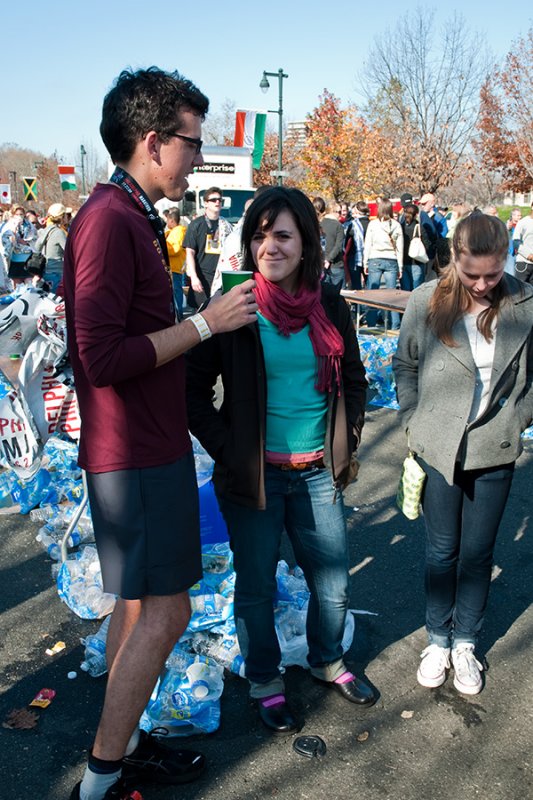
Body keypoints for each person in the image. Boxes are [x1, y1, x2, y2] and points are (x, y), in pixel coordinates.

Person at [63, 66, 258, 800]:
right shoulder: (110, 220)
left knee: (140, 606)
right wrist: (206, 324)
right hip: (135, 453)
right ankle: (102, 777)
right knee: (169, 609)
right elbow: (101, 356)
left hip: (144, 447)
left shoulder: (129, 213)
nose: (196, 158)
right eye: (191, 144)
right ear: (152, 142)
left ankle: (123, 745)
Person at [186, 186, 377, 735]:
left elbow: (355, 381)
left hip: (318, 472)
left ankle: (328, 662)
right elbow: (192, 391)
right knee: (256, 586)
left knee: (333, 584)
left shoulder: (330, 302)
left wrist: (347, 440)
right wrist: (230, 449)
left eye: (283, 235)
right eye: (259, 234)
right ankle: (265, 679)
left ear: (306, 243)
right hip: (255, 476)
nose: (269, 245)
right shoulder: (234, 307)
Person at [393, 213, 532, 696]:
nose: (481, 284)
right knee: (441, 549)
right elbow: (405, 363)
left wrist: (517, 417)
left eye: (492, 274)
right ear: (454, 257)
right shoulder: (425, 299)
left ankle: (465, 641)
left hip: (494, 445)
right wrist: (411, 420)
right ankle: (437, 638)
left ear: (505, 259)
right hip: (437, 445)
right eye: (471, 273)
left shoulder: (525, 302)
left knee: (477, 553)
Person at [184, 185, 232, 308]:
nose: (217, 202)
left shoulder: (227, 226)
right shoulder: (196, 225)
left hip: (220, 277)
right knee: (201, 314)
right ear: (205, 204)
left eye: (220, 200)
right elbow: (189, 252)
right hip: (202, 278)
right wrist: (194, 277)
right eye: (213, 200)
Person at [363, 199, 403, 328]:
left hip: (375, 258)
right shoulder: (396, 225)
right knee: (392, 295)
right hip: (391, 259)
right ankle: (394, 324)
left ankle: (371, 322)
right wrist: (400, 266)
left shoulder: (373, 225)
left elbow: (367, 244)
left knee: (372, 292)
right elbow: (400, 248)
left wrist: (365, 262)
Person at [312, 196, 345, 289]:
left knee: (323, 294)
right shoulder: (338, 226)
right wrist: (329, 259)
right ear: (332, 212)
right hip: (336, 264)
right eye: (339, 212)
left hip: (321, 263)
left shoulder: (319, 223)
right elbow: (338, 246)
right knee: (340, 295)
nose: (341, 215)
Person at [35, 202, 68, 292]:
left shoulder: (45, 230)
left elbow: (37, 247)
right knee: (57, 301)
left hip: (46, 271)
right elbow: (68, 251)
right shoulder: (59, 232)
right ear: (62, 216)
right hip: (57, 271)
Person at [165, 207, 187, 317]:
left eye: (167, 221)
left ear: (172, 221)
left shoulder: (178, 232)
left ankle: (178, 313)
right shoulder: (174, 232)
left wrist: (164, 248)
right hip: (173, 266)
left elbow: (176, 249)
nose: (166, 223)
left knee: (176, 291)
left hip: (175, 267)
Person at [400, 203, 428, 291]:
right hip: (417, 262)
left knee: (406, 290)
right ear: (416, 214)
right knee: (418, 289)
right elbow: (427, 243)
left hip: (404, 261)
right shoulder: (419, 227)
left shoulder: (401, 227)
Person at [513, 200, 533, 285]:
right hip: (524, 263)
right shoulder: (523, 222)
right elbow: (515, 241)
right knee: (520, 291)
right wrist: (528, 255)